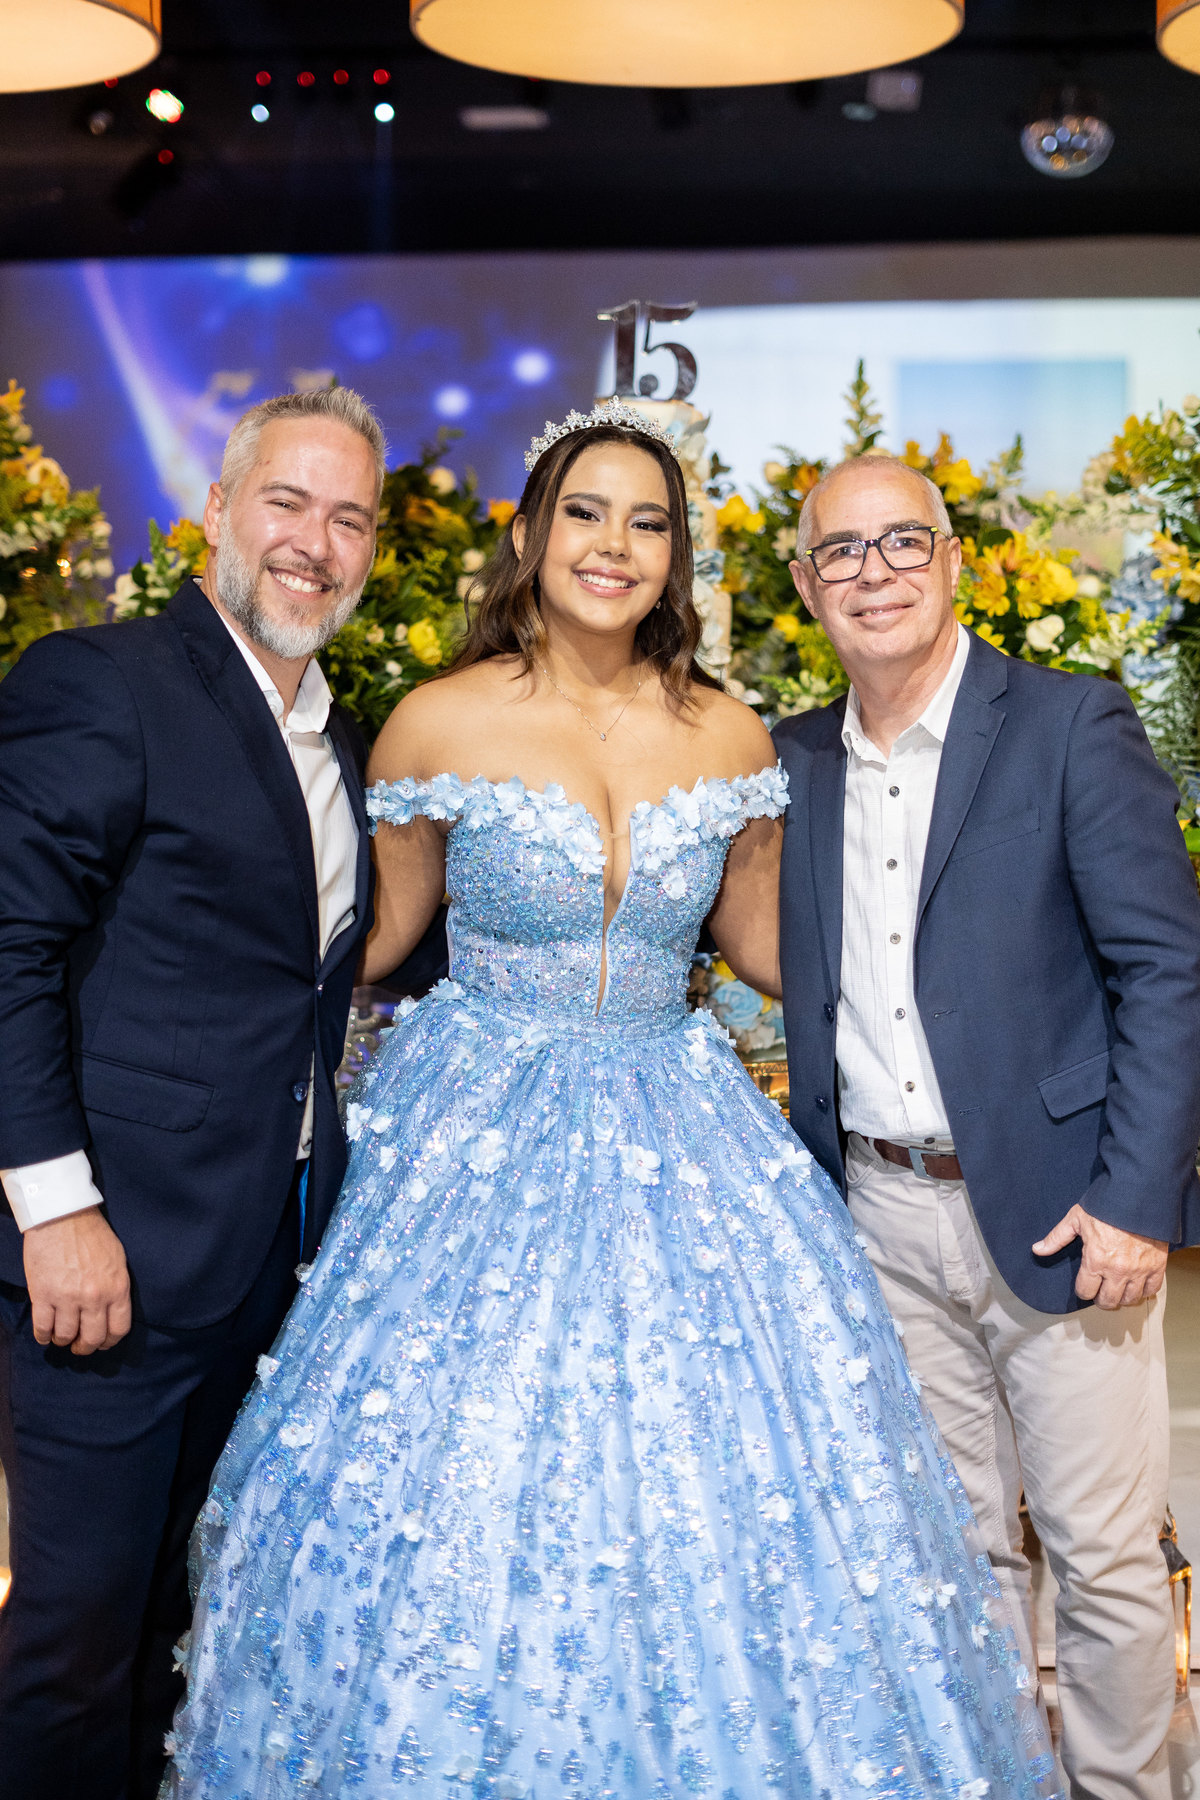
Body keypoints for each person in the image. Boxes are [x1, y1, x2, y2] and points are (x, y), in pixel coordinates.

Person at [164, 404, 1059, 1800]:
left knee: (725, 1484)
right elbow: (373, 937)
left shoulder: (729, 732)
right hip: (473, 1140)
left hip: (682, 1130)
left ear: (674, 557)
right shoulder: (436, 720)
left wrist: (985, 923)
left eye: (648, 522)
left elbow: (773, 948)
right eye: (586, 512)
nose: (615, 545)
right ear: (532, 534)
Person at [775, 452, 1200, 1800]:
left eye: (903, 541)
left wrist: (1136, 1199)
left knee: (1104, 1557)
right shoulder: (790, 761)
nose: (875, 573)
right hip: (879, 1219)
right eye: (841, 552)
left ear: (953, 559)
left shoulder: (1070, 724)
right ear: (805, 586)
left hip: (1067, 1210)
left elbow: (1169, 969)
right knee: (956, 1556)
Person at [0, 386, 387, 1800]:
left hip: (261, 1267)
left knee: (180, 1634)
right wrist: (57, 1210)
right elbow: (8, 944)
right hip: (106, 1262)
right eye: (286, 501)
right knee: (71, 1646)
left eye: (348, 518)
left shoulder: (343, 741)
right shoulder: (102, 682)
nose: (313, 543)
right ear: (217, 511)